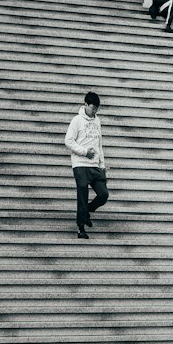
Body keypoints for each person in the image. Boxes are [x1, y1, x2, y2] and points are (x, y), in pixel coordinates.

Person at [65, 91, 109, 240]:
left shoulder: (97, 121)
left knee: (104, 194)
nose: (94, 111)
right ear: (85, 105)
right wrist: (84, 152)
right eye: (92, 108)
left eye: (97, 108)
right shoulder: (76, 121)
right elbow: (68, 141)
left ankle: (87, 211)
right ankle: (81, 228)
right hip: (80, 164)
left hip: (95, 165)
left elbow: (99, 144)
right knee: (82, 196)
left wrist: (102, 164)